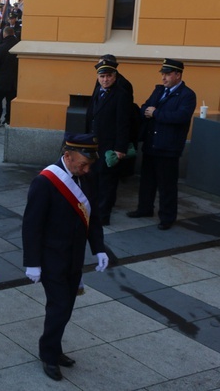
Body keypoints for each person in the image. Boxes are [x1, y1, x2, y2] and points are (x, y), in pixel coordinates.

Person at [22, 133, 109, 381]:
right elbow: (32, 225)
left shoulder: (87, 178)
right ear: (67, 156)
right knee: (59, 307)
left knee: (66, 307)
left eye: (89, 164)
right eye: (82, 164)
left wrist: (99, 248)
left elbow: (92, 216)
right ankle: (48, 354)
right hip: (51, 258)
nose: (86, 169)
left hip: (74, 256)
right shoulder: (46, 181)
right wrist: (32, 262)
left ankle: (55, 348)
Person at [126, 59, 197, 230]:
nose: (164, 78)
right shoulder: (159, 90)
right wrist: (148, 112)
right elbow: (144, 108)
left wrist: (156, 113)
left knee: (167, 185)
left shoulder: (187, 95)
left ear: (178, 75)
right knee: (147, 181)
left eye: (167, 74)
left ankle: (167, 217)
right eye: (163, 74)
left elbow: (180, 117)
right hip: (152, 143)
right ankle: (144, 208)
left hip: (168, 147)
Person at [85, 60, 134, 225]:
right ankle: (93, 210)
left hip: (110, 145)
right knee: (94, 179)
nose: (105, 79)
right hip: (94, 144)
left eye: (109, 76)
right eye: (102, 76)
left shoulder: (121, 94)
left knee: (107, 181)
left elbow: (123, 123)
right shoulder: (98, 91)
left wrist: (120, 148)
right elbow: (91, 116)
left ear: (115, 76)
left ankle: (103, 216)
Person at [0, 26, 19, 126]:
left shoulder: (2, 46)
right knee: (10, 101)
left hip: (1, 79)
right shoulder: (18, 45)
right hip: (14, 80)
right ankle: (8, 119)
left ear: (4, 34)